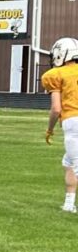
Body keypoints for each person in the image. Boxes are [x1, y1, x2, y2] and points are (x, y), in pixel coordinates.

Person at [41, 37, 78, 213]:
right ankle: (69, 204)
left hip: (73, 120)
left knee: (76, 164)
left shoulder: (55, 75)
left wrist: (49, 129)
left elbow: (56, 109)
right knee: (68, 162)